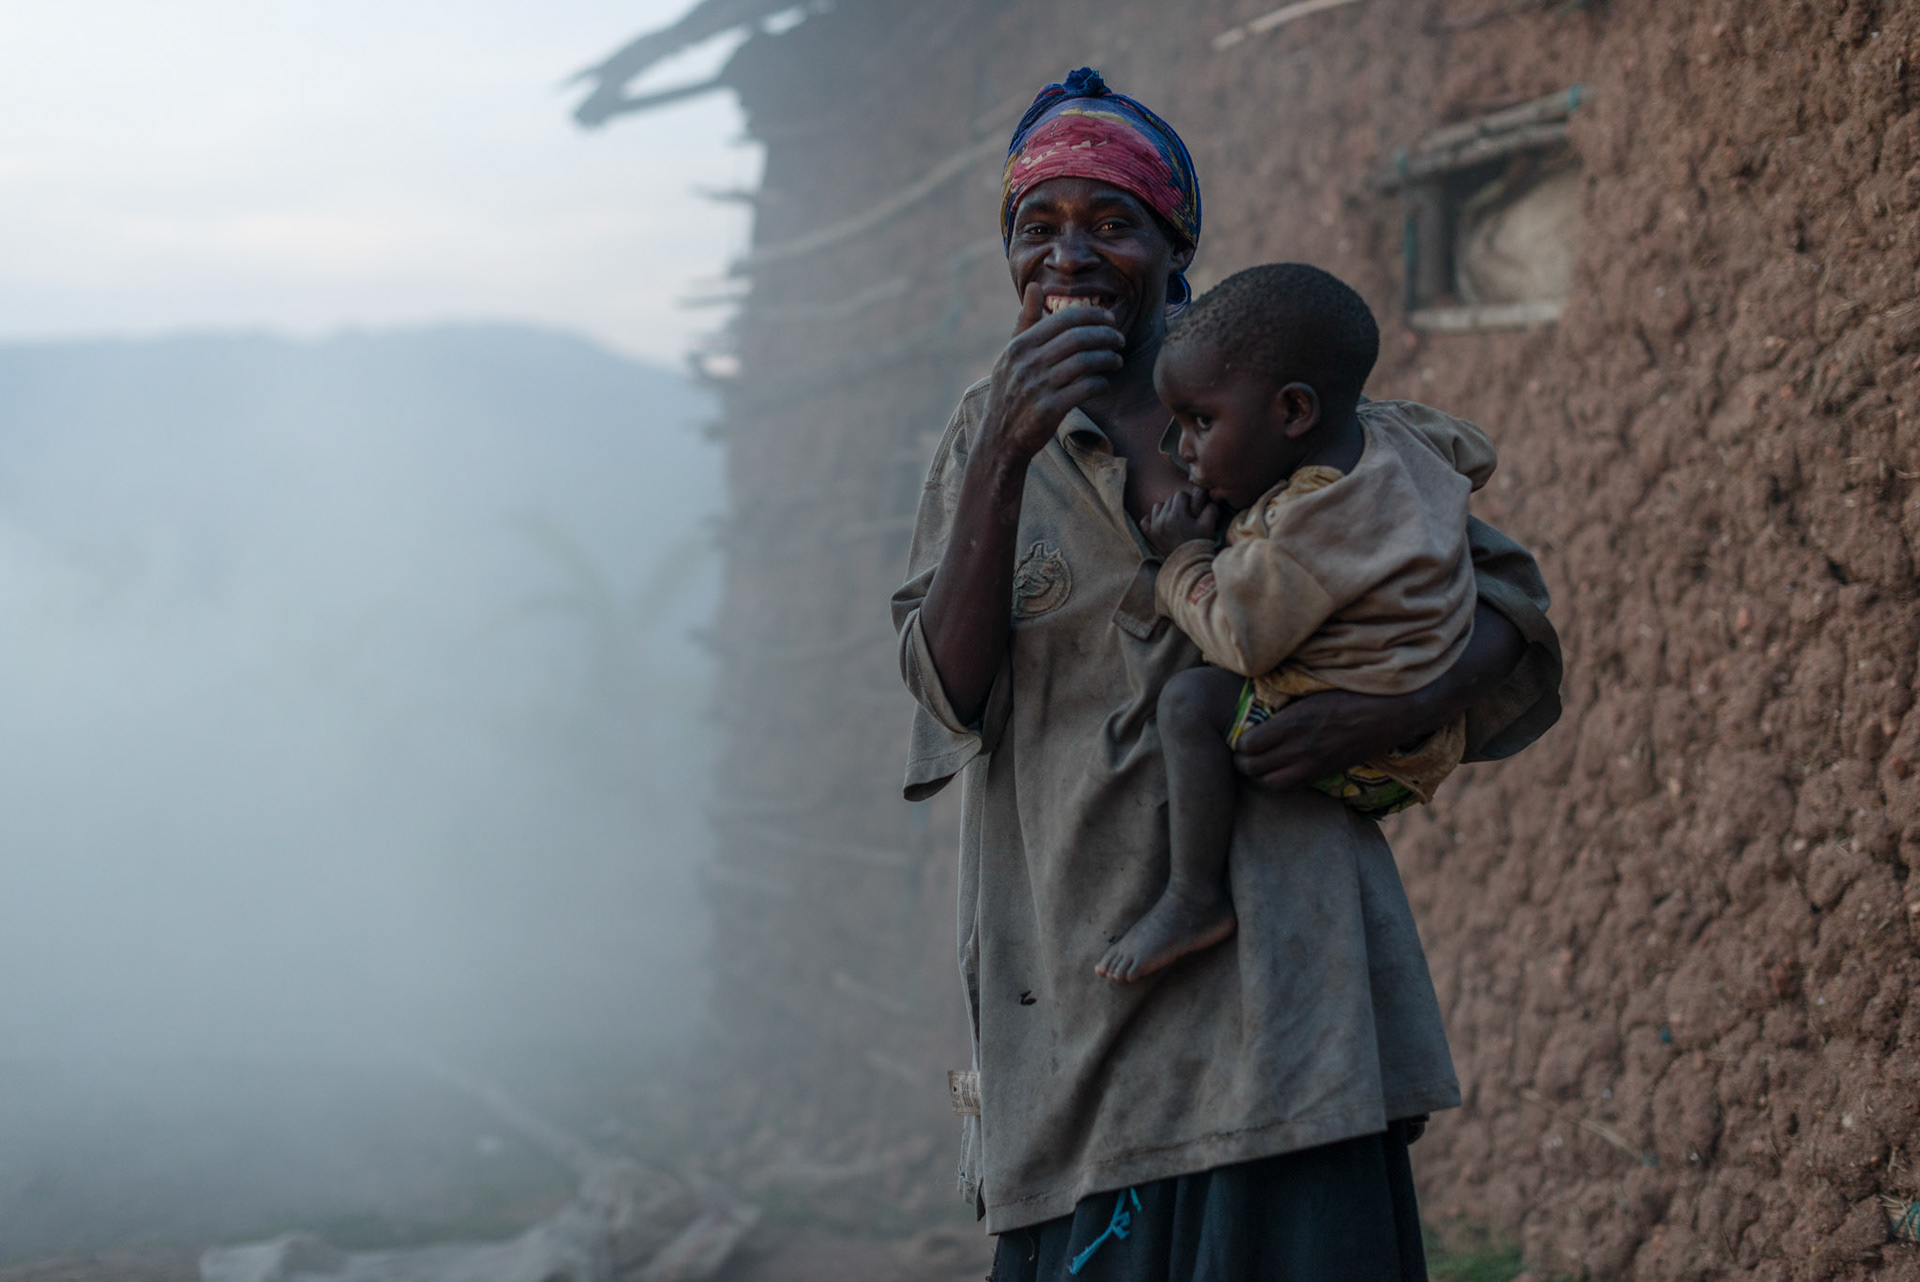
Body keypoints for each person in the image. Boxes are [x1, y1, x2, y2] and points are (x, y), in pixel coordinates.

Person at [892, 67, 1561, 1280]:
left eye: (1112, 224)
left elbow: (1509, 604)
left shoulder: (1284, 414)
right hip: (1079, 968)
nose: (1069, 257)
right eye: (1037, 228)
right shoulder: (985, 437)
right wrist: (1002, 452)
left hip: (1284, 968)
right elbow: (946, 692)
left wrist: (1394, 707)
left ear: (1174, 247)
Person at [1096, 263, 1498, 984]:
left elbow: (1240, 638)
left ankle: (1193, 898)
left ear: (1292, 413)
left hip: (1373, 753)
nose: (1184, 449)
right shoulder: (1389, 430)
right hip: (1421, 711)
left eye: (1201, 422)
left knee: (1189, 703)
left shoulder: (1312, 527)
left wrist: (1183, 559)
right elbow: (1474, 452)